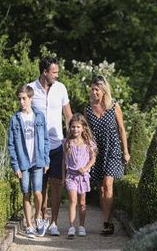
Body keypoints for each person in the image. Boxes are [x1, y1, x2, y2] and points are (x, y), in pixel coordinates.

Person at [28, 56, 73, 236]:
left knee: (57, 183)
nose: (57, 75)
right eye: (54, 72)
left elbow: (68, 115)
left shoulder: (61, 88)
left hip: (56, 145)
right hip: (37, 147)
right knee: (40, 186)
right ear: (44, 72)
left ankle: (53, 223)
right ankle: (41, 218)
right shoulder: (30, 89)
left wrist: (72, 139)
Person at [84, 75, 131, 235]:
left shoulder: (114, 106)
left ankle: (107, 222)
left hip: (113, 149)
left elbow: (121, 129)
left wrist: (125, 151)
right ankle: (108, 221)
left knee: (108, 184)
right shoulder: (88, 109)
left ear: (103, 90)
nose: (94, 92)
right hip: (97, 151)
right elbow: (87, 133)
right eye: (92, 89)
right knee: (101, 188)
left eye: (96, 89)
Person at [8, 85, 50, 238]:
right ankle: (29, 225)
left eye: (24, 98)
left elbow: (46, 140)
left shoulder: (39, 117)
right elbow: (11, 144)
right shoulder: (15, 119)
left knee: (38, 193)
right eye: (19, 99)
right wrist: (15, 165)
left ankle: (38, 218)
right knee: (26, 193)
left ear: (31, 99)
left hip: (38, 161)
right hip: (23, 163)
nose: (21, 102)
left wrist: (46, 160)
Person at [62, 113, 97, 238]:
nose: (75, 129)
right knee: (72, 201)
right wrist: (63, 176)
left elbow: (93, 159)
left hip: (83, 177)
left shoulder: (88, 143)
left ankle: (81, 226)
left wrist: (86, 168)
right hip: (71, 176)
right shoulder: (67, 142)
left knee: (82, 202)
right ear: (70, 127)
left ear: (83, 128)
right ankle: (71, 227)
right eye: (73, 127)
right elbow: (64, 161)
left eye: (78, 127)